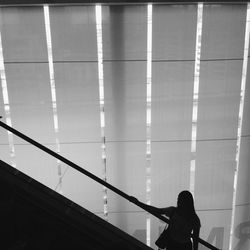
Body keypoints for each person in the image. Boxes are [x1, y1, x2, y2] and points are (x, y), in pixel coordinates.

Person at [129, 190, 201, 250]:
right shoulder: (194, 219)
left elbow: (156, 211)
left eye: (179, 199)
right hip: (185, 246)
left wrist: (137, 202)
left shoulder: (173, 211)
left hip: (172, 244)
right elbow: (195, 239)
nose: (178, 201)